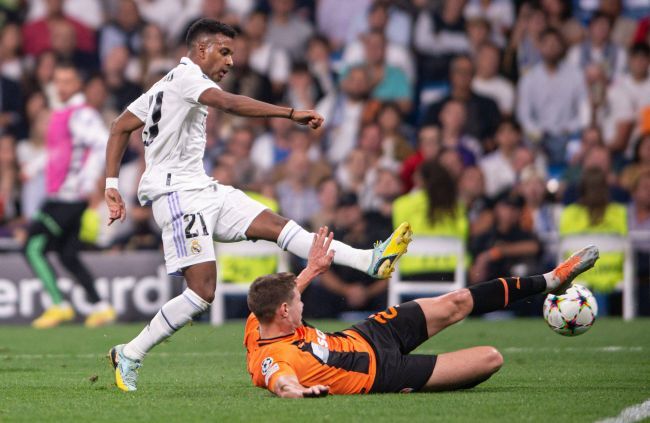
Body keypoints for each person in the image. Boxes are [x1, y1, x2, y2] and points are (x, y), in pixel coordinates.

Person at [105, 19, 411, 392]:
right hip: (177, 196)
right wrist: (289, 113)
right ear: (201, 49)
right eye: (224, 52)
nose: (231, 61)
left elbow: (120, 125)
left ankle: (368, 260)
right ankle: (130, 353)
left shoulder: (163, 85)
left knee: (281, 228)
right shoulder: (186, 78)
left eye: (232, 53)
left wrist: (111, 185)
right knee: (201, 293)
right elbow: (228, 102)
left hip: (202, 188)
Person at [244, 227, 600, 397]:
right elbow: (281, 382)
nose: (303, 303)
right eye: (298, 300)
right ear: (285, 311)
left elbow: (290, 292)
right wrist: (299, 393)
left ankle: (551, 280)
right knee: (491, 358)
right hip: (384, 374)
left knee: (456, 301)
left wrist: (313, 270)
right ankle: (417, 385)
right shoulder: (273, 358)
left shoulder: (259, 316)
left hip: (368, 333)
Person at [23, 62, 114, 328]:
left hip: (68, 197)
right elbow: (59, 151)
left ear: (77, 85)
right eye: (58, 81)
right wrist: (34, 167)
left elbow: (101, 143)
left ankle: (58, 305)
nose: (61, 86)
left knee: (32, 246)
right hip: (62, 195)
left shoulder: (82, 114)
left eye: (67, 81)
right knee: (67, 254)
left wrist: (87, 179)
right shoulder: (62, 113)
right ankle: (101, 306)